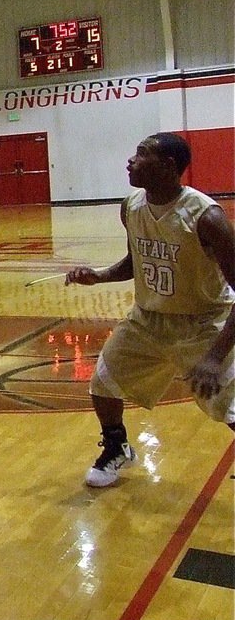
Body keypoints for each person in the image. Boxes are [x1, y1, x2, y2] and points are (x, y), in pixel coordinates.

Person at [65, 133, 235, 487]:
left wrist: (215, 356)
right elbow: (136, 261)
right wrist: (98, 277)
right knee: (104, 382)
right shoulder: (131, 206)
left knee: (228, 406)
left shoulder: (207, 218)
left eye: (141, 155)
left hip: (203, 323)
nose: (131, 161)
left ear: (169, 166)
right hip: (147, 320)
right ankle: (117, 447)